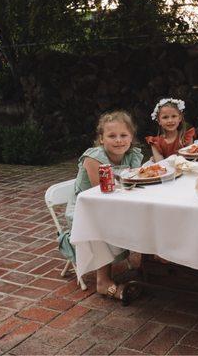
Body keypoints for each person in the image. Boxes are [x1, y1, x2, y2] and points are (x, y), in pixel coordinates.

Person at [66, 110, 143, 303]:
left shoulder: (132, 154)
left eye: (123, 135)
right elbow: (99, 193)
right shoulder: (94, 158)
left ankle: (144, 259)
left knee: (145, 210)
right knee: (101, 223)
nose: (118, 140)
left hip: (116, 202)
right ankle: (103, 281)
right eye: (112, 136)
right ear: (101, 139)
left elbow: (135, 181)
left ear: (131, 137)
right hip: (87, 209)